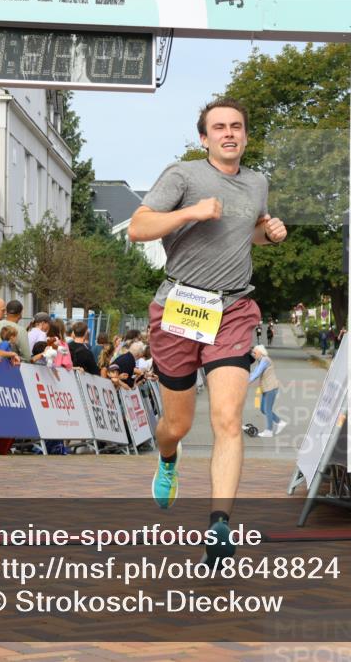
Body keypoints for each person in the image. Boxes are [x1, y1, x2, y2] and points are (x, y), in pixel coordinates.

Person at [128, 96, 287, 562]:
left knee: (227, 419)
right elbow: (138, 228)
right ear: (204, 137)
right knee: (175, 424)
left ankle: (220, 525)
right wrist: (189, 213)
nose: (229, 133)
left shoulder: (258, 183)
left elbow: (247, 230)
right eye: (219, 127)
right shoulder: (183, 175)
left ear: (245, 135)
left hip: (233, 308)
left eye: (236, 126)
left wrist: (268, 232)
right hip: (179, 305)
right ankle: (168, 459)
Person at [248, 345, 286, 437]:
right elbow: (254, 372)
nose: (253, 354)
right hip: (266, 388)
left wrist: (245, 383)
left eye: (255, 352)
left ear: (260, 352)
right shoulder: (260, 360)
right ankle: (280, 422)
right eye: (253, 352)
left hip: (271, 388)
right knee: (263, 409)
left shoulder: (265, 360)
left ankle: (269, 431)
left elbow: (257, 373)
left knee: (267, 409)